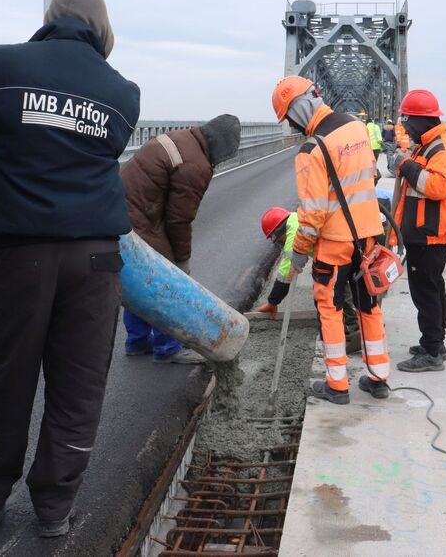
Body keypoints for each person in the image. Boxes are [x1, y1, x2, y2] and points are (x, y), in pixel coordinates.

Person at [0, 0, 138, 537]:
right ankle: (54, 509)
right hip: (97, 259)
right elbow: (106, 149)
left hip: (21, 254)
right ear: (102, 29)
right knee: (79, 387)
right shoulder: (122, 94)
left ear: (50, 19)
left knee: (9, 377)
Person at [270, 75, 391, 403]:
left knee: (330, 308)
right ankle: (378, 378)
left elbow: (312, 214)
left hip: (335, 242)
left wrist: (299, 251)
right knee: (368, 306)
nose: (293, 126)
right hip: (369, 235)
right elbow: (369, 175)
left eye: (290, 118)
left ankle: (337, 384)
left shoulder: (312, 149)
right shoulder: (357, 127)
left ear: (298, 108)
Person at [120, 114, 242, 363]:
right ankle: (167, 348)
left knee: (140, 275)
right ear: (221, 148)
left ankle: (137, 340)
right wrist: (181, 261)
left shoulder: (182, 138)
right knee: (163, 280)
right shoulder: (196, 166)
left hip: (120, 209)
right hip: (142, 216)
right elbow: (179, 220)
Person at [389, 89, 446, 373]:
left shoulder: (440, 149)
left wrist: (406, 164)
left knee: (425, 293)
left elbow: (436, 186)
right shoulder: (429, 144)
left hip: (429, 233)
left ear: (421, 120)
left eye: (407, 120)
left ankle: (431, 351)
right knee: (433, 288)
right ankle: (436, 344)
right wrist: (407, 163)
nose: (405, 126)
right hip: (428, 231)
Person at [256, 207, 361, 353]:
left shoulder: (292, 234)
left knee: (330, 296)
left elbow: (286, 273)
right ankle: (355, 328)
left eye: (279, 240)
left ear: (278, 232)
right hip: (343, 246)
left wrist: (273, 302)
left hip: (335, 253)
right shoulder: (295, 218)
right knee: (341, 289)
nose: (280, 243)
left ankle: (350, 334)